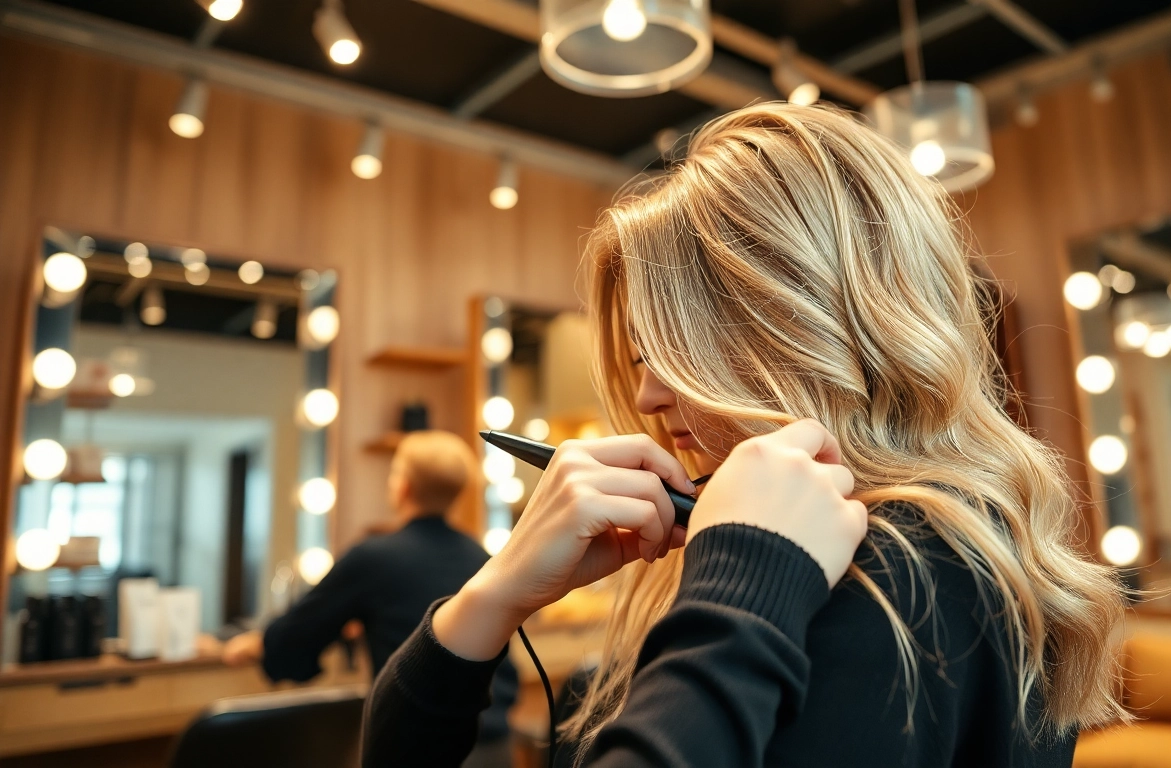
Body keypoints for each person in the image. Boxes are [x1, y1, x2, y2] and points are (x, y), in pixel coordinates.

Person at [364, 103, 1128, 767]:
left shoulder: (892, 578)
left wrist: (743, 585)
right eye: (640, 359)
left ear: (804, 330)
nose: (645, 394)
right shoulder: (939, 552)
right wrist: (493, 596)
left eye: (676, 351)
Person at [222, 430, 516, 765]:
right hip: (498, 746)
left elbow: (297, 636)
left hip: (422, 750)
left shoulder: (374, 558)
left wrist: (259, 643)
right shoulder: (482, 558)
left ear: (403, 487)